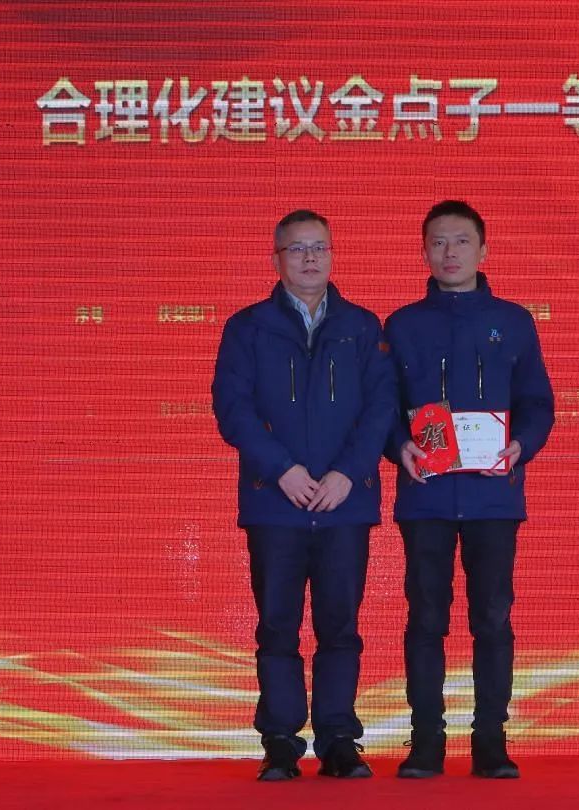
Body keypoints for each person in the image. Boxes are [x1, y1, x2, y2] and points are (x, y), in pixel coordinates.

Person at [212, 210, 395, 781]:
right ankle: (281, 740)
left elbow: (381, 410)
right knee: (277, 627)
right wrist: (283, 470)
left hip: (345, 503)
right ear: (276, 259)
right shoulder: (248, 328)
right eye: (297, 249)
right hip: (276, 502)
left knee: (340, 627)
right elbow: (233, 411)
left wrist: (348, 473)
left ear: (333, 255)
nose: (310, 258)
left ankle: (339, 738)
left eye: (319, 247)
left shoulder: (362, 327)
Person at [384, 200, 555, 779]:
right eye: (438, 242)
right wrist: (397, 446)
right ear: (423, 252)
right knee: (425, 619)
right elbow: (382, 407)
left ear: (484, 249)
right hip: (426, 495)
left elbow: (537, 403)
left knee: (493, 619)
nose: (449, 252)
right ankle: (426, 740)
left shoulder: (514, 321)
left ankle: (491, 740)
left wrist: (521, 445)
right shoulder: (402, 326)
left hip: (492, 495)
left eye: (461, 241)